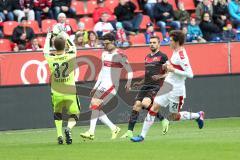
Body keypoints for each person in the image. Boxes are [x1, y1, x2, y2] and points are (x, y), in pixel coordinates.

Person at [131, 30, 205, 142]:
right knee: (154, 107)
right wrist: (168, 66)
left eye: (170, 40)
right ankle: (142, 136)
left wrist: (173, 69)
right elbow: (173, 67)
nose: (168, 42)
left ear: (177, 42)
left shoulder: (182, 55)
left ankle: (197, 115)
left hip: (177, 90)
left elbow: (190, 74)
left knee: (174, 116)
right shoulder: (175, 51)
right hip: (167, 86)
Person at [80, 33, 133, 140]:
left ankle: (91, 132)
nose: (105, 45)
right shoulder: (104, 54)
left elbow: (129, 70)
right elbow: (102, 72)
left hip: (111, 85)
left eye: (107, 43)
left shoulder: (120, 55)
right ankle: (114, 128)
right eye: (104, 43)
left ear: (113, 42)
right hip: (103, 84)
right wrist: (96, 86)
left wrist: (129, 83)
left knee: (94, 105)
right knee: (95, 107)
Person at [121, 35, 169, 139]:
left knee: (145, 103)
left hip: (155, 86)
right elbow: (148, 73)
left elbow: (169, 73)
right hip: (145, 85)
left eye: (154, 42)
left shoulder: (163, 56)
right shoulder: (147, 57)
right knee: (136, 106)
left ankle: (163, 119)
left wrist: (160, 76)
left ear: (158, 44)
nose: (152, 44)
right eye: (150, 42)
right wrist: (140, 82)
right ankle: (129, 132)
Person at [43, 29, 80, 145]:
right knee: (75, 114)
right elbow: (73, 46)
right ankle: (68, 128)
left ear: (54, 46)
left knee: (57, 113)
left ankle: (59, 135)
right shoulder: (70, 55)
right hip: (70, 90)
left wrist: (49, 36)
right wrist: (64, 34)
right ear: (65, 45)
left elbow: (45, 50)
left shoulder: (50, 58)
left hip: (56, 91)